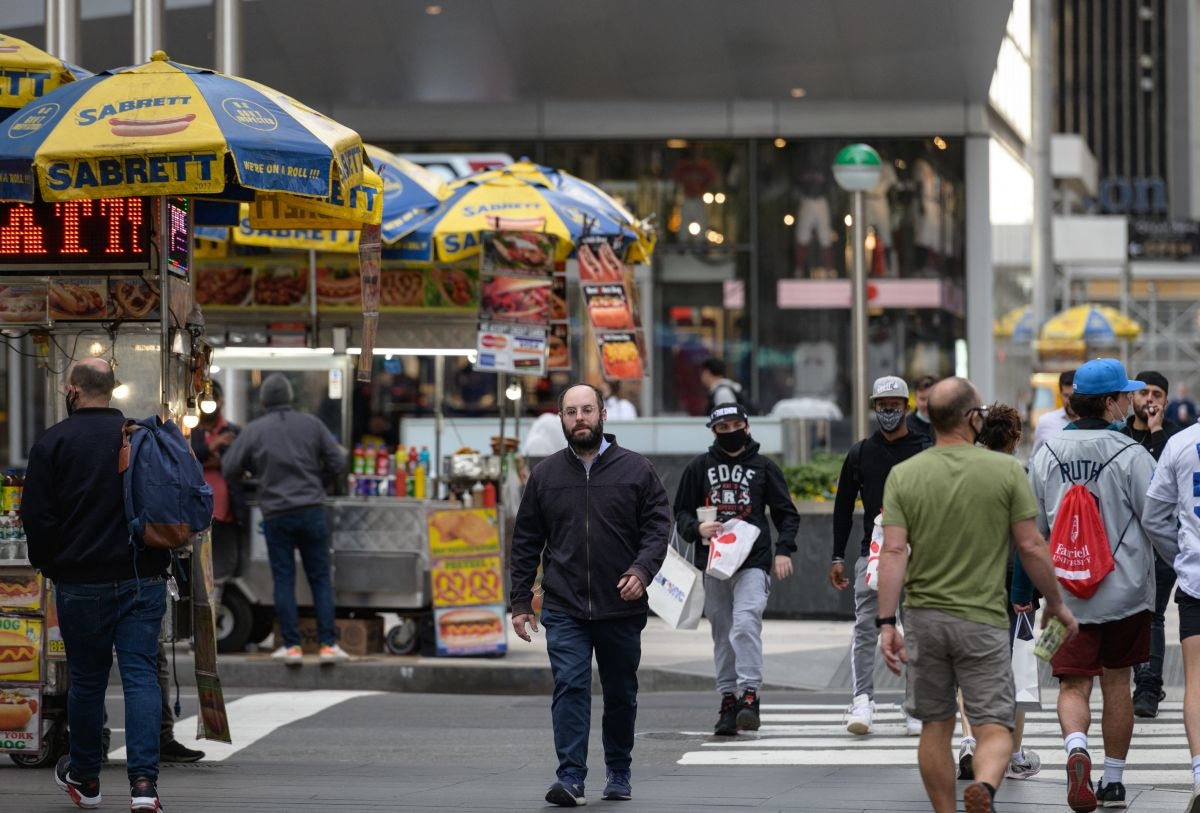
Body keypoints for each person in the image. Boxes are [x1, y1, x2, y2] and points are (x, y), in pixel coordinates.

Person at [876, 377, 1077, 813]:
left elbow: (892, 551)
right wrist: (1056, 603)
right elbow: (1030, 546)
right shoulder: (1005, 471)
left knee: (936, 725)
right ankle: (984, 787)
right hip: (983, 619)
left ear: (928, 417)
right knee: (996, 727)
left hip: (925, 619)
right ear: (973, 418)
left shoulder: (904, 475)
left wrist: (886, 622)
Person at [509, 384, 670, 807]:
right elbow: (525, 540)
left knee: (620, 692)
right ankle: (571, 777)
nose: (579, 418)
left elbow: (658, 528)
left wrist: (642, 570)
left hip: (621, 604)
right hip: (563, 605)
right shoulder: (545, 475)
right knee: (570, 685)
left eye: (586, 410)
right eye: (570, 412)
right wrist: (521, 601)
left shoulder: (636, 470)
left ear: (602, 415)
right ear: (561, 419)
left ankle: (619, 770)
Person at [22, 357, 172, 812]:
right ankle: (144, 785)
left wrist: (51, 565)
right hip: (142, 576)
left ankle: (86, 777)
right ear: (113, 389)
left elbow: (37, 519)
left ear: (73, 389)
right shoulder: (140, 436)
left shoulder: (53, 442)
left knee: (87, 681)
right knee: (141, 677)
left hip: (80, 581)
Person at [1026, 357, 1157, 811]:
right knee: (1118, 683)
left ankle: (1075, 749)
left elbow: (1033, 529)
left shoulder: (1046, 452)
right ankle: (1115, 781)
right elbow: (1155, 517)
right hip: (1126, 594)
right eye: (1125, 395)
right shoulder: (1131, 453)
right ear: (1107, 401)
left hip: (1063, 598)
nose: (1129, 401)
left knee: (1071, 685)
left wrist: (1034, 590)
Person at [674, 402, 801, 736]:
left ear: (747, 426)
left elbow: (787, 512)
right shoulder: (699, 468)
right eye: (722, 428)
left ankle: (749, 695)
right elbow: (682, 512)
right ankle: (728, 699)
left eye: (735, 426)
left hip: (753, 561)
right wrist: (696, 529)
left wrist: (784, 549)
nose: (730, 433)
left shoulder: (763, 467)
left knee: (745, 624)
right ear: (714, 432)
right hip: (714, 563)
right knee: (723, 632)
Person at [222, 373, 350, 666]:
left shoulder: (254, 430)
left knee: (284, 578)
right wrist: (318, 481)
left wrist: (255, 474)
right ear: (290, 398)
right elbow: (338, 461)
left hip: (277, 513)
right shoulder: (312, 424)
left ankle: (291, 647)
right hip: (311, 510)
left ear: (264, 400)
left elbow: (229, 468)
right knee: (319, 578)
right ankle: (328, 645)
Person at [829, 375, 930, 736]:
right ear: (875, 408)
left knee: (917, 629)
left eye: (895, 406)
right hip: (871, 555)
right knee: (865, 628)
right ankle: (862, 699)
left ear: (907, 407)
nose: (888, 413)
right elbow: (843, 508)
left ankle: (915, 705)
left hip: (919, 555)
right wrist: (836, 556)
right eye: (883, 407)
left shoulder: (924, 448)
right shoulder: (860, 453)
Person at [958, 404, 1041, 782]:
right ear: (1016, 437)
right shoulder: (1019, 474)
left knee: (971, 663)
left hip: (969, 578)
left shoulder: (960, 472)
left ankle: (970, 742)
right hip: (1012, 582)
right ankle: (1014, 751)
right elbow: (1027, 541)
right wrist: (1028, 590)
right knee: (1017, 664)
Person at [1140, 413, 1200, 809]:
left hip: (1196, 580)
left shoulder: (1180, 444)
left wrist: (1178, 556)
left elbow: (1153, 516)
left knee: (1196, 681)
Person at [1120, 370, 1181, 719]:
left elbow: (1164, 483)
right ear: (1132, 398)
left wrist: (1157, 433)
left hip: (1159, 541)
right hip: (1124, 542)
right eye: (1143, 393)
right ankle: (1143, 676)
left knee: (1153, 614)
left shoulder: (1173, 437)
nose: (1149, 400)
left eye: (1157, 393)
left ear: (1166, 401)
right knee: (1132, 613)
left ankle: (1147, 685)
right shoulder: (1120, 434)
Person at [1031, 370, 1077, 457]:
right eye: (1066, 396)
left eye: (1074, 396)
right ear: (1060, 395)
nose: (1071, 401)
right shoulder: (1045, 422)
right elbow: (1034, 460)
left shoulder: (1092, 422)